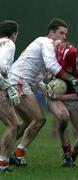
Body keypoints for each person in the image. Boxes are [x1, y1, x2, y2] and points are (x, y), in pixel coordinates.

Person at [9, 18, 78, 167]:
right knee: (39, 120)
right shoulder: (45, 42)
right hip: (18, 81)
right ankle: (18, 154)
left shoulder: (45, 48)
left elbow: (36, 79)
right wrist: (72, 79)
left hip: (18, 81)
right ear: (51, 33)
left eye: (65, 34)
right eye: (61, 33)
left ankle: (5, 154)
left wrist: (46, 90)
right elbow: (51, 65)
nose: (64, 37)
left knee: (25, 123)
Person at [47, 39, 78, 167]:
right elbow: (58, 44)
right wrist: (49, 69)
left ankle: (70, 158)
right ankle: (66, 153)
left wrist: (59, 96)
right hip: (54, 92)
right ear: (77, 54)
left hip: (70, 97)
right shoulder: (68, 53)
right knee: (64, 117)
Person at [0, 20, 20, 172]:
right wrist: (9, 88)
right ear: (13, 34)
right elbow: (1, 66)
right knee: (14, 125)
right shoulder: (9, 44)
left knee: (13, 124)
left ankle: (3, 163)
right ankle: (2, 164)